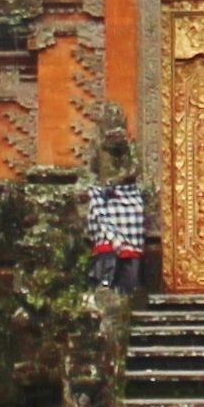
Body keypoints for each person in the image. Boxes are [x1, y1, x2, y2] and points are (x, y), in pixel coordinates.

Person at [83, 108, 148, 295]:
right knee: (98, 214)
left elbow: (134, 168)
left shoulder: (129, 146)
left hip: (127, 193)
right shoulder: (97, 146)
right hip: (104, 194)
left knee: (136, 214)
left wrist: (119, 178)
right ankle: (105, 280)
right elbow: (92, 170)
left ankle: (132, 283)